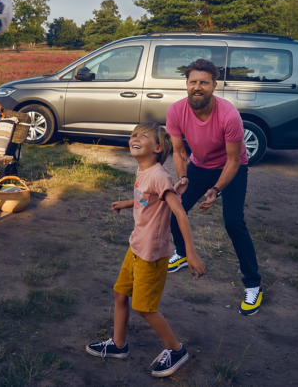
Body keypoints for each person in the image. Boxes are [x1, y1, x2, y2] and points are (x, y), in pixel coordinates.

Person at [85, 123, 205, 378]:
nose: (134, 138)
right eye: (132, 135)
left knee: (145, 308)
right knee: (120, 294)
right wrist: (127, 203)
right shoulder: (144, 170)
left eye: (142, 136)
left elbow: (179, 213)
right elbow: (146, 199)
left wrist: (190, 253)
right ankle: (118, 345)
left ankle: (176, 350)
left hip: (151, 254)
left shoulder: (159, 176)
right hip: (136, 246)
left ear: (158, 148)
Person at [166, 58, 263, 316]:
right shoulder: (175, 111)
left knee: (233, 221)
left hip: (232, 167)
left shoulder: (229, 115)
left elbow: (233, 159)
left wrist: (217, 189)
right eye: (193, 82)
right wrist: (183, 177)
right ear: (186, 84)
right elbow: (178, 151)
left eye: (204, 83)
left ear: (214, 86)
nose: (198, 87)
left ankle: (253, 284)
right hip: (199, 166)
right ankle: (182, 252)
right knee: (174, 208)